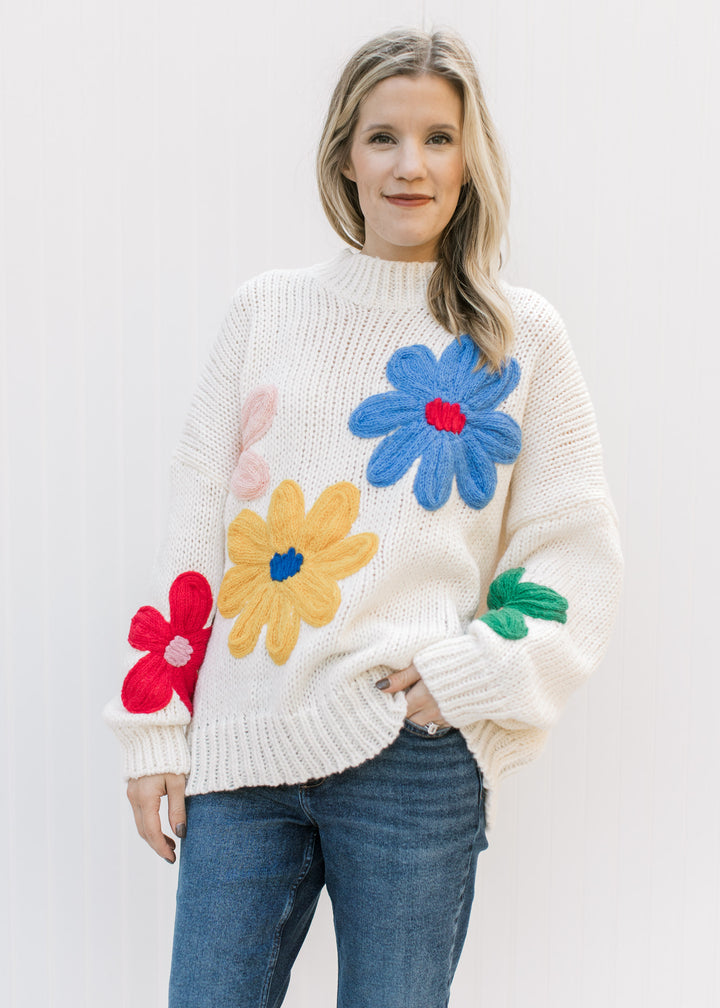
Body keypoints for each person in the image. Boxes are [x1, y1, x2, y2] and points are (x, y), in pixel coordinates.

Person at [103, 24, 624, 1008]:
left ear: (470, 160)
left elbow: (572, 551)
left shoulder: (518, 339)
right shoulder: (265, 313)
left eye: (437, 137)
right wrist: (153, 732)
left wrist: (468, 673)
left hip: (408, 755)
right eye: (384, 137)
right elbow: (194, 528)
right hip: (242, 751)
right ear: (346, 153)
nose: (409, 165)